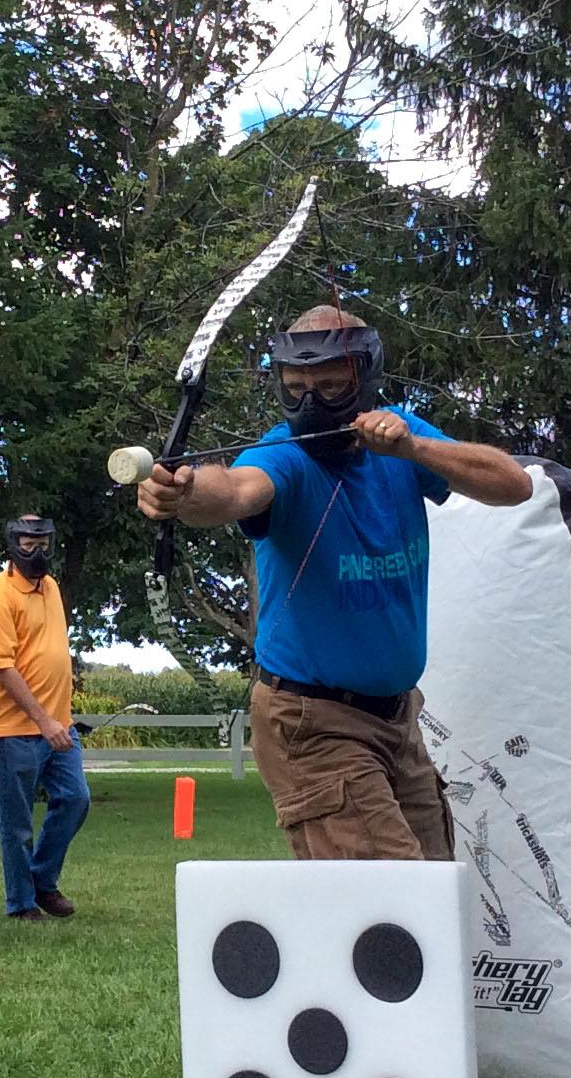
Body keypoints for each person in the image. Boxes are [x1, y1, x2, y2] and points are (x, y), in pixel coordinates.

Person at [135, 307, 532, 859]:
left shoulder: (401, 438)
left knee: (439, 895)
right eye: (295, 389)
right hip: (312, 723)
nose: (310, 404)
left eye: (329, 386)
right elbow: (235, 490)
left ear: (364, 380)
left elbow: (513, 485)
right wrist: (182, 493)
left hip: (397, 718)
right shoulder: (284, 456)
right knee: (394, 911)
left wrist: (412, 448)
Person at [0, 514, 90, 921]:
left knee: (76, 799)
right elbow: (4, 668)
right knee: (17, 822)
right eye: (27, 543)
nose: (36, 550)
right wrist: (43, 721)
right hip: (14, 728)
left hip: (59, 725)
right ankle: (21, 904)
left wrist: (60, 718)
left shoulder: (53, 588)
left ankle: (41, 879)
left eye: (42, 542)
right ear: (12, 544)